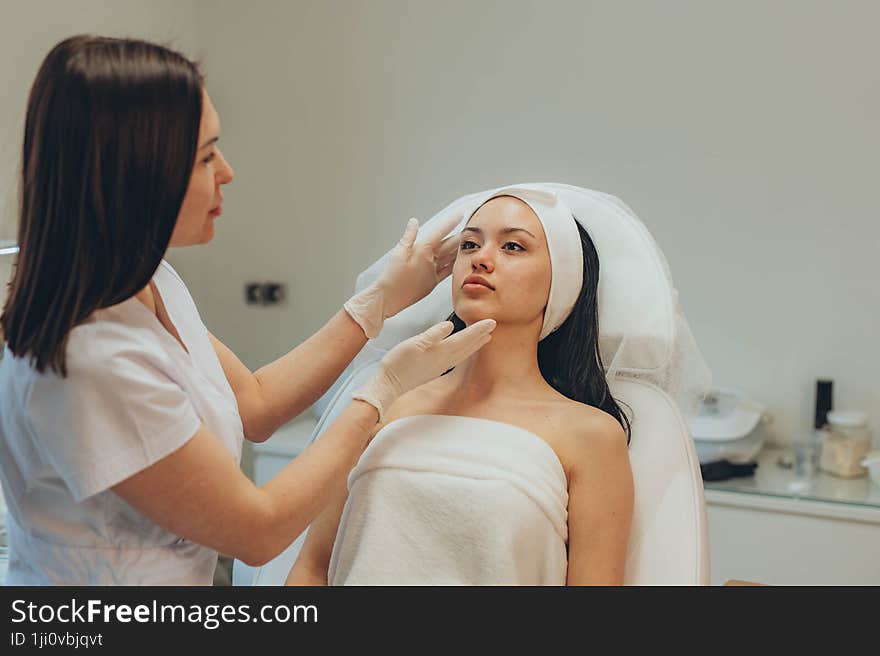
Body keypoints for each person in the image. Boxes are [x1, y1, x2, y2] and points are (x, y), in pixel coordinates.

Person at [0, 35, 494, 585]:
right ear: (138, 174)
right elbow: (258, 531)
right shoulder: (91, 360)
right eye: (206, 156)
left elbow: (254, 405)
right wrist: (382, 389)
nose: (227, 172)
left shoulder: (148, 281)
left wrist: (378, 302)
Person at [286, 188, 635, 586]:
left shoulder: (590, 436)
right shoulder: (386, 399)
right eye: (470, 243)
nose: (480, 259)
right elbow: (312, 570)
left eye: (513, 247)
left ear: (565, 283)